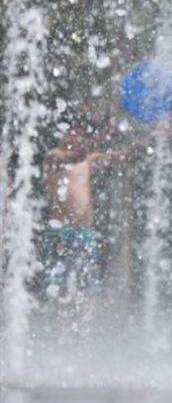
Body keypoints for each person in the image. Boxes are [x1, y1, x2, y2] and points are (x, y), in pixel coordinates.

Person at [39, 112, 144, 305]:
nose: (75, 137)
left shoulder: (88, 159)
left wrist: (148, 139)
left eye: (79, 134)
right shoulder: (53, 157)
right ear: (62, 133)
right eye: (71, 133)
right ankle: (60, 321)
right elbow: (75, 157)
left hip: (84, 232)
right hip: (60, 231)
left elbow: (122, 157)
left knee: (85, 286)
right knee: (60, 286)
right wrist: (105, 133)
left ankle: (80, 322)